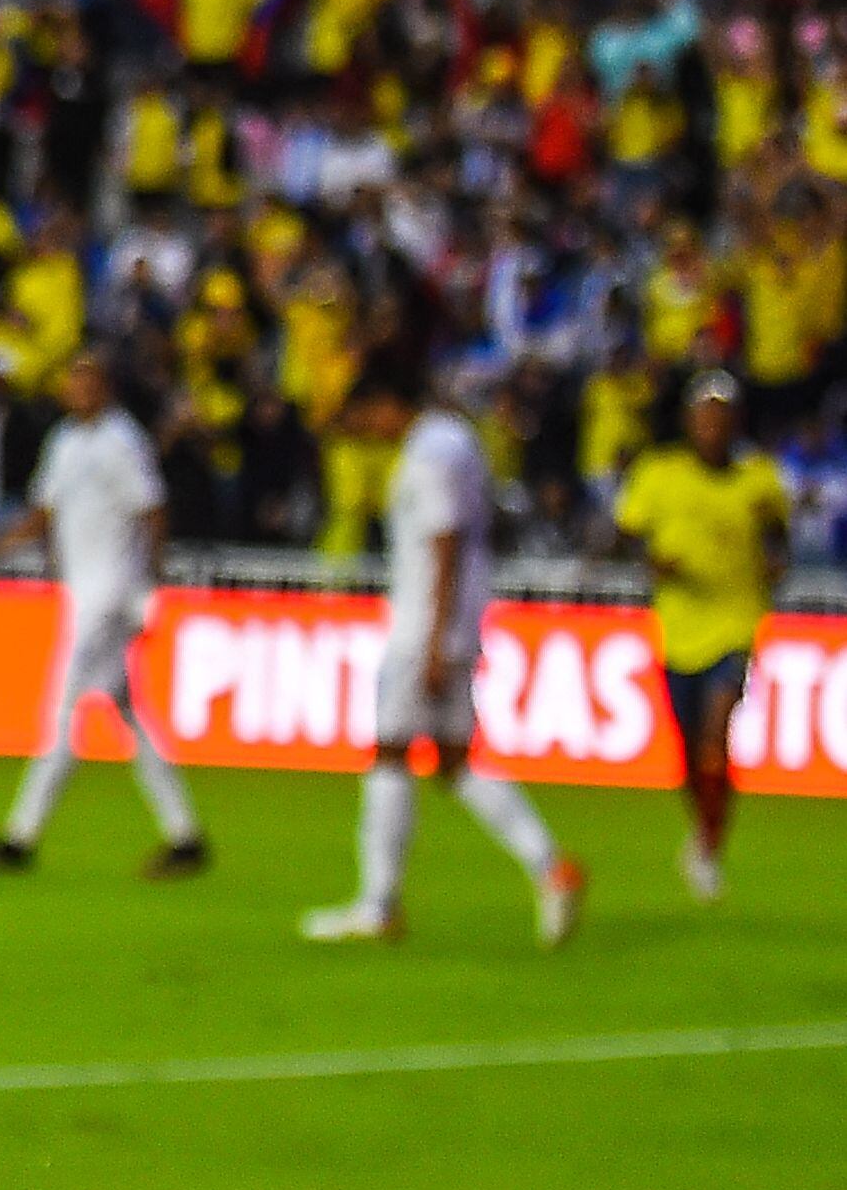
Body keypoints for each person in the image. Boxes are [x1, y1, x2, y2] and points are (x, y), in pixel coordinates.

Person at [302, 356, 588, 947]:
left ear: (389, 403)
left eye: (370, 413)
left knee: (388, 753)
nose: (371, 428)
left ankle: (379, 904)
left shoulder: (429, 453)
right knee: (455, 762)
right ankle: (550, 866)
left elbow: (445, 541)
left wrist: (433, 640)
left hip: (424, 629)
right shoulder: (457, 442)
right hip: (457, 623)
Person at [0, 356, 210, 877]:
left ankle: (20, 838)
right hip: (85, 595)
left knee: (62, 712)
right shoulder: (66, 442)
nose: (78, 391)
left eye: (87, 382)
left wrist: (147, 589)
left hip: (110, 598)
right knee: (129, 717)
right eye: (72, 382)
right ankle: (185, 836)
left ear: (106, 387)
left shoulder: (121, 441)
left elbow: (152, 510)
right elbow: (44, 515)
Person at [611, 370, 788, 901]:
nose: (712, 423)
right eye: (704, 413)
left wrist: (776, 566)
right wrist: (654, 564)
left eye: (721, 414)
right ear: (690, 420)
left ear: (734, 421)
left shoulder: (758, 479)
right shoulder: (659, 474)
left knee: (714, 742)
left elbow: (780, 541)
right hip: (677, 625)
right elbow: (624, 537)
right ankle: (705, 831)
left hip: (735, 622)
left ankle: (709, 846)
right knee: (689, 753)